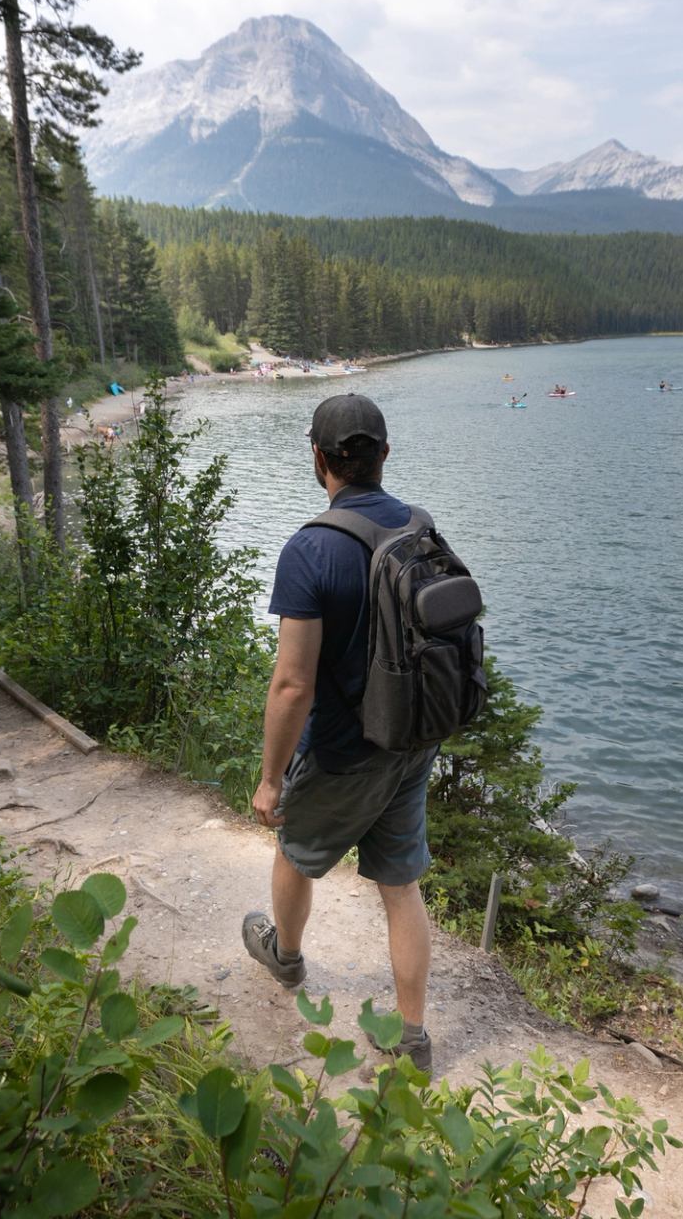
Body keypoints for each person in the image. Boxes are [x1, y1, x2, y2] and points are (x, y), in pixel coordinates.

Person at [243, 394, 437, 1076]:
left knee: (294, 852)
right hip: (412, 740)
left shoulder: (310, 550)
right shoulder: (421, 526)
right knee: (400, 886)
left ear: (319, 459)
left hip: (343, 751)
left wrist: (271, 780)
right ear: (384, 455)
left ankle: (286, 958)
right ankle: (413, 1038)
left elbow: (293, 684)